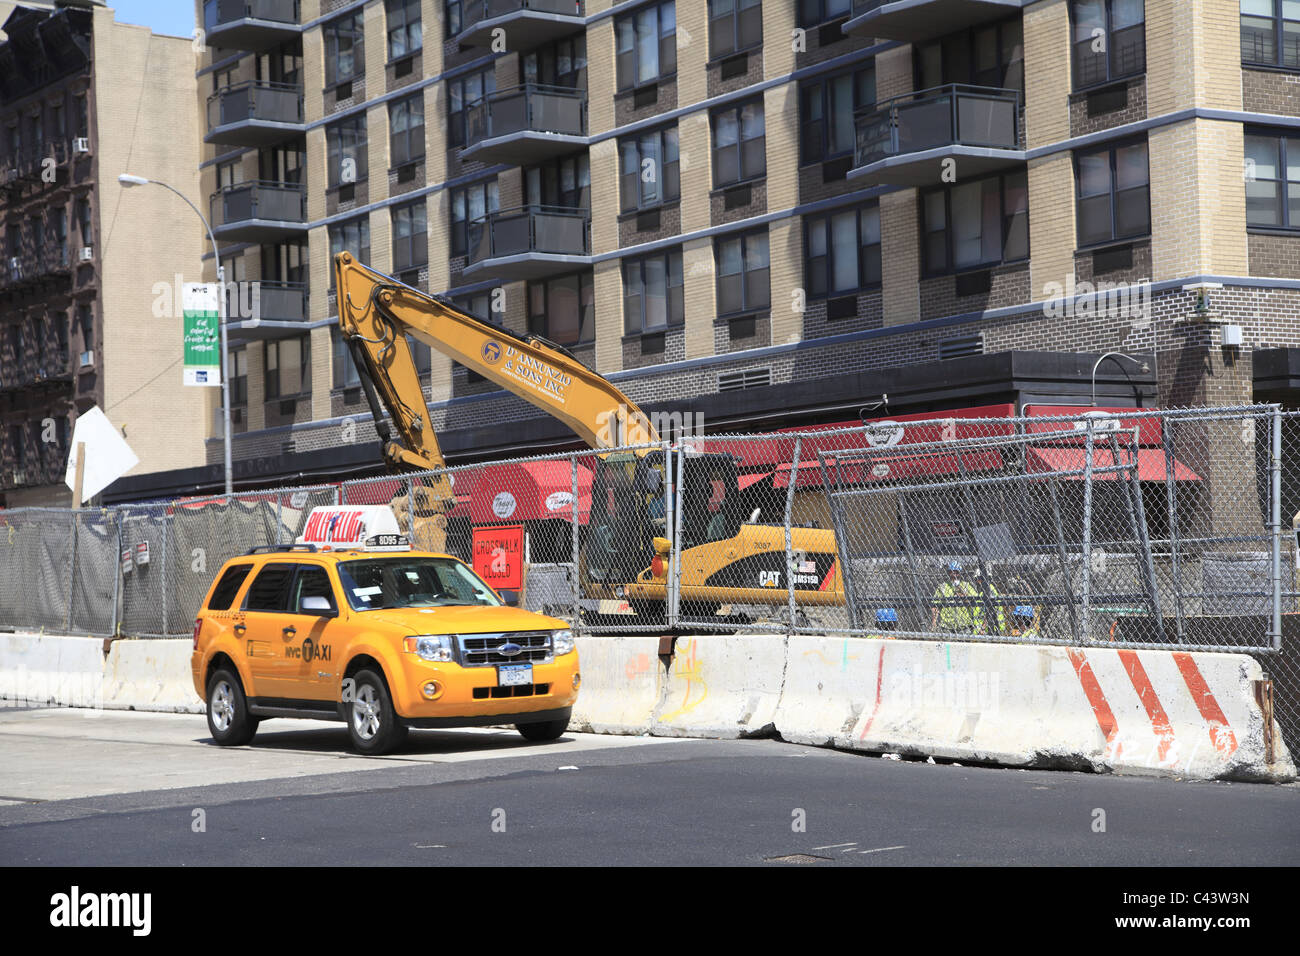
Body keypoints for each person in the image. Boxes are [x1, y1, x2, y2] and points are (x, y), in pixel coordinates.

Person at [931, 562, 979, 633]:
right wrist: (934, 622)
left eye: (957, 572)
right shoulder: (943, 586)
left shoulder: (966, 585)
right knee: (947, 644)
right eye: (952, 572)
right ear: (949, 573)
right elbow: (935, 605)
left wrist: (964, 596)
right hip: (947, 625)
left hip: (964, 625)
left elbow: (975, 601)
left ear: (960, 573)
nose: (954, 575)